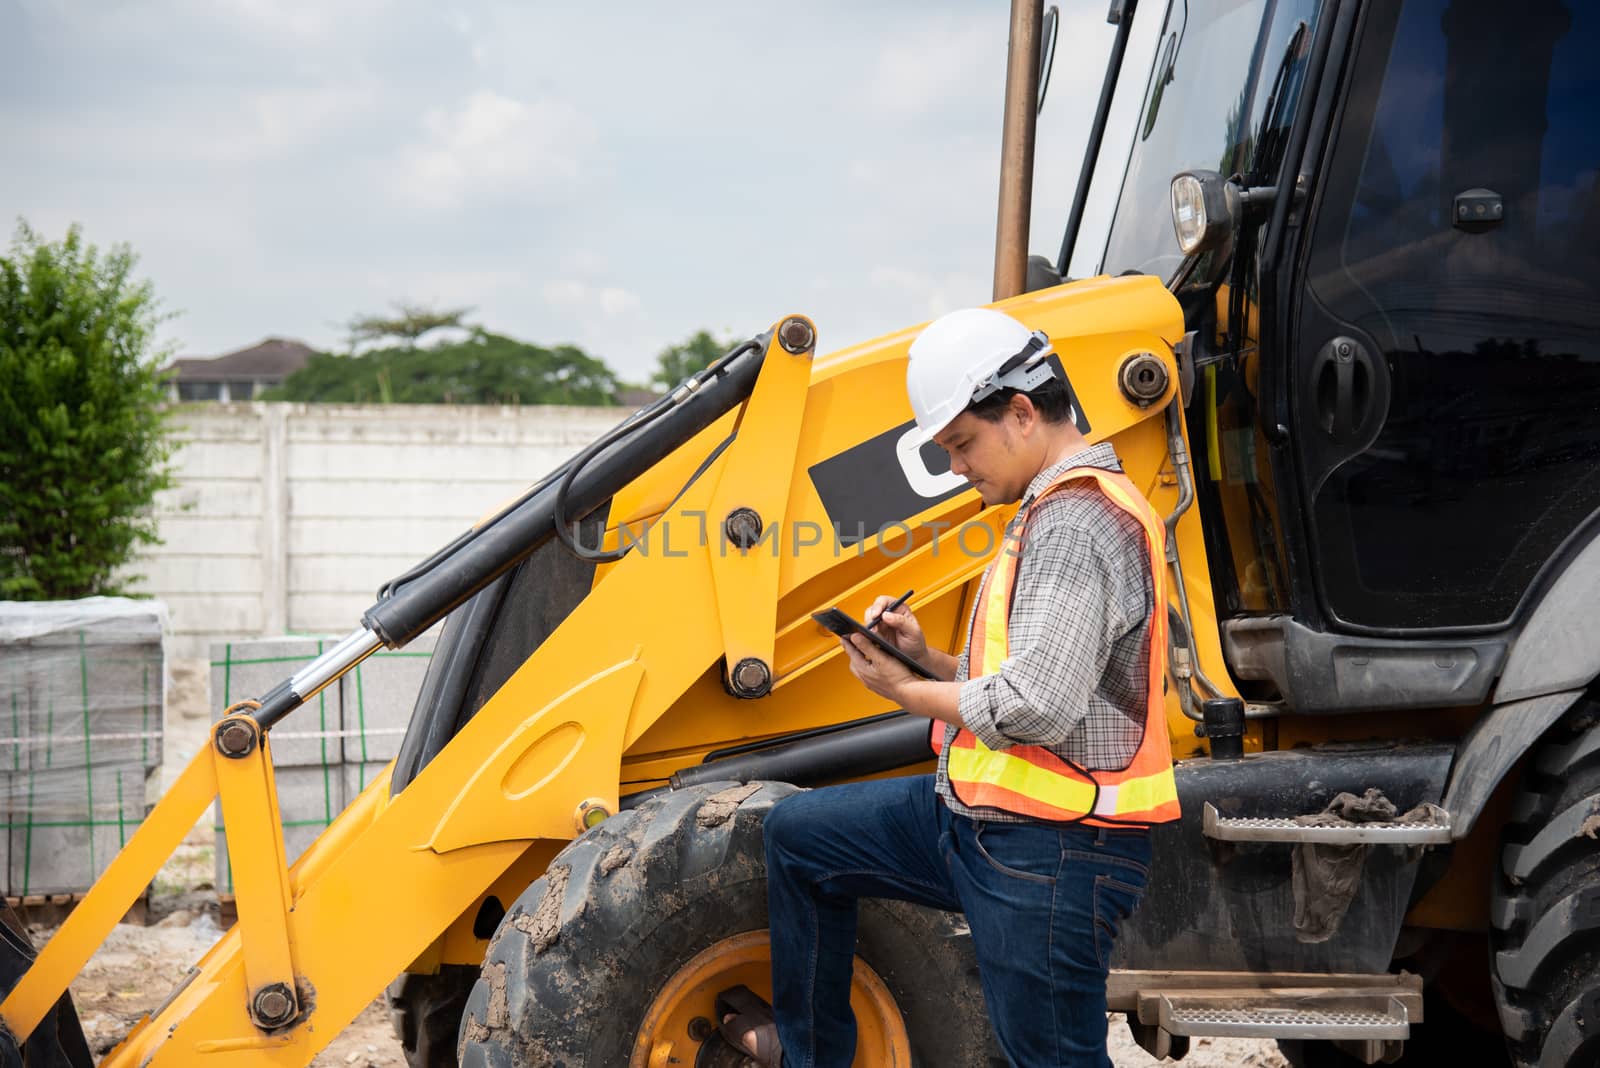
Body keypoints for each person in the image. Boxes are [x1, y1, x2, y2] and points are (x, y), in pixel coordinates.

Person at [717, 306, 1181, 1067]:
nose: (957, 468)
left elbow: (1036, 705)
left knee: (1051, 1057)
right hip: (984, 820)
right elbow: (1031, 677)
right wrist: (927, 659)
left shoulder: (1074, 522)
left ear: (1022, 413)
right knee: (799, 839)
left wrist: (904, 692)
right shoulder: (1048, 511)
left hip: (1054, 849)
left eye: (962, 444)